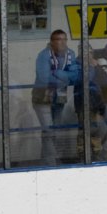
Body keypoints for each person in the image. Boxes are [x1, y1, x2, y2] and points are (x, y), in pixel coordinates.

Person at [31, 30, 80, 166]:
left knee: (55, 130)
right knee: (49, 130)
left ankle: (46, 161)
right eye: (59, 39)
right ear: (52, 42)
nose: (62, 42)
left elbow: (75, 76)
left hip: (59, 98)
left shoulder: (70, 54)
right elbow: (44, 78)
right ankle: (51, 163)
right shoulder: (43, 55)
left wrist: (58, 73)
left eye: (65, 39)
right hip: (42, 99)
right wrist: (66, 77)